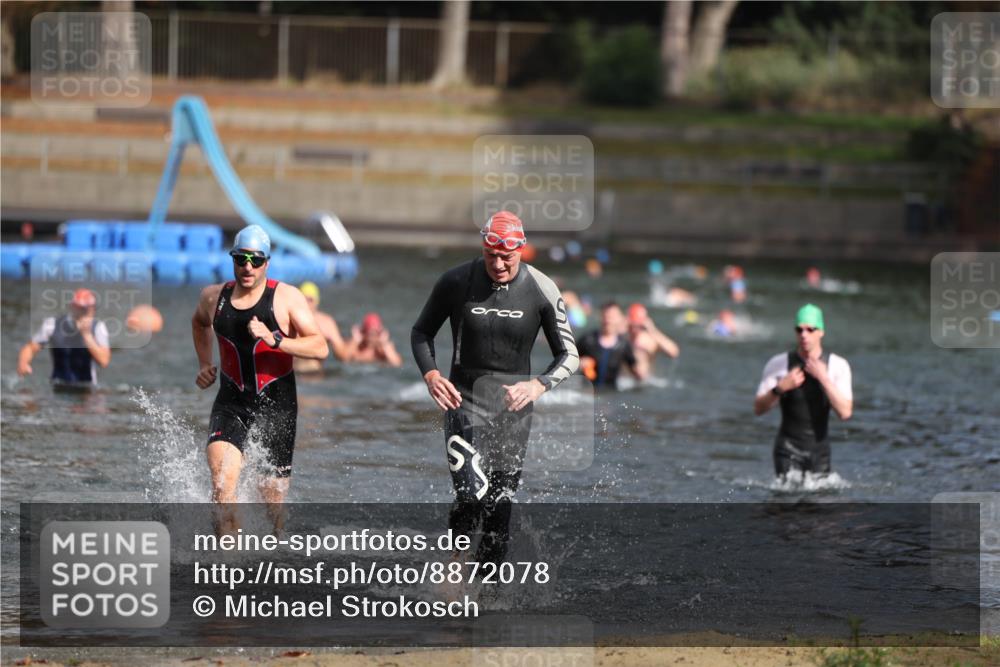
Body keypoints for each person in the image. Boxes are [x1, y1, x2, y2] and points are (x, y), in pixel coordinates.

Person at [411, 211, 578, 563]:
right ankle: (452, 577)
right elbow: (421, 332)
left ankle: (489, 597)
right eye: (491, 256)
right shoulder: (457, 281)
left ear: (522, 249)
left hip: (513, 411)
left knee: (499, 506)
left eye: (507, 256)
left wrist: (538, 385)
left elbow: (570, 354)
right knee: (470, 496)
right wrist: (431, 375)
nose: (499, 264)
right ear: (483, 249)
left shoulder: (540, 288)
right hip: (463, 402)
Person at [191, 225, 328, 533]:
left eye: (255, 260)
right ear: (233, 259)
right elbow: (199, 324)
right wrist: (204, 363)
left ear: (267, 262)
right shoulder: (213, 298)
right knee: (222, 488)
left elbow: (320, 347)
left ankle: (277, 545)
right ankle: (229, 568)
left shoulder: (287, 298)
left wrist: (276, 340)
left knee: (272, 505)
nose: (248, 267)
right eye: (241, 259)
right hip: (231, 404)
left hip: (277, 408)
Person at [753, 304, 853, 478]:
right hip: (787, 449)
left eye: (810, 329)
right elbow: (758, 409)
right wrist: (779, 389)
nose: (804, 335)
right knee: (787, 502)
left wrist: (823, 378)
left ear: (821, 331)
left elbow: (845, 412)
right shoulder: (779, 364)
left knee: (818, 503)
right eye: (799, 330)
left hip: (819, 453)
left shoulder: (838, 366)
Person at [18, 288, 111, 388]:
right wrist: (23, 363)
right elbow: (30, 348)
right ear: (72, 307)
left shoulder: (98, 328)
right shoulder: (52, 324)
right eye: (81, 309)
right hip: (58, 385)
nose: (85, 313)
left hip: (86, 388)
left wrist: (87, 336)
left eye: (89, 309)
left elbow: (104, 361)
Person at [294, 281, 351, 374]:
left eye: (310, 300)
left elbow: (342, 355)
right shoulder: (289, 320)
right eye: (304, 299)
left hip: (316, 373)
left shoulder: (326, 323)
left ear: (316, 301)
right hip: (294, 372)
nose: (307, 303)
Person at [626, 303, 679, 378]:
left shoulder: (650, 340)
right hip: (625, 380)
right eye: (632, 325)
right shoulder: (622, 338)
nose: (634, 329)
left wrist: (652, 330)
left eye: (638, 325)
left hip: (645, 382)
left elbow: (673, 352)